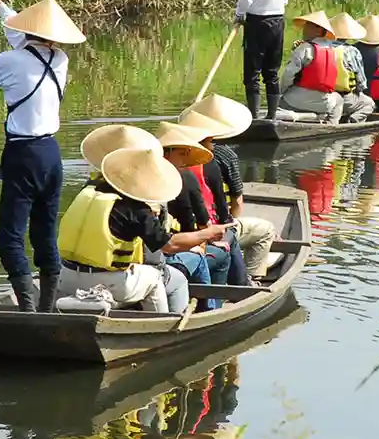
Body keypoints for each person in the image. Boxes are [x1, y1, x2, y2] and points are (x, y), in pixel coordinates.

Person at [0, 0, 86, 313]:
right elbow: (21, 39)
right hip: (51, 156)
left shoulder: (10, 61)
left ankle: (27, 309)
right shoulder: (59, 59)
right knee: (45, 233)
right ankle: (46, 308)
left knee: (9, 238)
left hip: (24, 155)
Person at [56, 142, 221, 313]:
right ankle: (164, 325)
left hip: (66, 276)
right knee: (168, 280)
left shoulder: (88, 191)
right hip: (109, 281)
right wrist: (207, 234)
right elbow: (169, 245)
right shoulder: (135, 208)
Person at [179, 94, 279, 278]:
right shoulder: (222, 156)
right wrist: (229, 224)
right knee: (266, 230)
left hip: (182, 228)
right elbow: (237, 203)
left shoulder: (170, 156)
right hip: (211, 226)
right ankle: (252, 278)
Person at [157, 123, 236, 309]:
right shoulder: (186, 177)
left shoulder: (136, 181)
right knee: (222, 253)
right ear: (168, 152)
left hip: (154, 252)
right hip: (167, 256)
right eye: (183, 153)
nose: (186, 158)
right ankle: (213, 308)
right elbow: (201, 224)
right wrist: (204, 238)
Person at [234, 0, 290, 121]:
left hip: (257, 23)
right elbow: (285, 0)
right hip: (278, 22)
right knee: (272, 72)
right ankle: (271, 116)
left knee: (253, 71)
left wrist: (239, 15)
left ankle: (254, 116)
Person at [278, 11, 344, 124]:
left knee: (279, 101)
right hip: (323, 103)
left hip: (294, 101)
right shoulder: (333, 52)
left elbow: (288, 75)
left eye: (307, 26)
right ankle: (331, 124)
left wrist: (281, 92)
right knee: (338, 100)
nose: (304, 30)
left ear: (317, 30)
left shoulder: (304, 49)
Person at [326, 12, 375, 124]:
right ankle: (353, 121)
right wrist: (361, 90)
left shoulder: (320, 47)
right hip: (344, 96)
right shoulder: (351, 51)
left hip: (322, 94)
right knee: (369, 103)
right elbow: (360, 81)